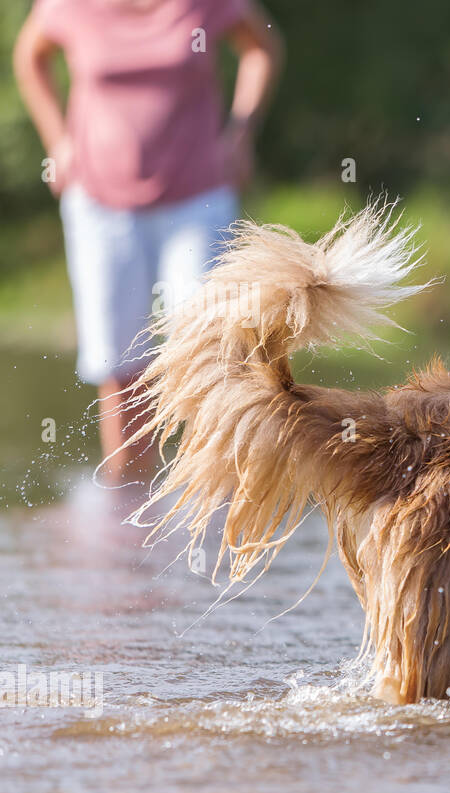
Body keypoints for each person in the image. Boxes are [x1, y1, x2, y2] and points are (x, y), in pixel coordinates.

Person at [13, 0, 282, 490]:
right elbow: (30, 56)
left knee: (209, 354)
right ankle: (126, 510)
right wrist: (58, 142)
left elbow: (262, 46)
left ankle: (209, 504)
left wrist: (241, 133)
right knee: (120, 364)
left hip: (197, 197)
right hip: (99, 200)